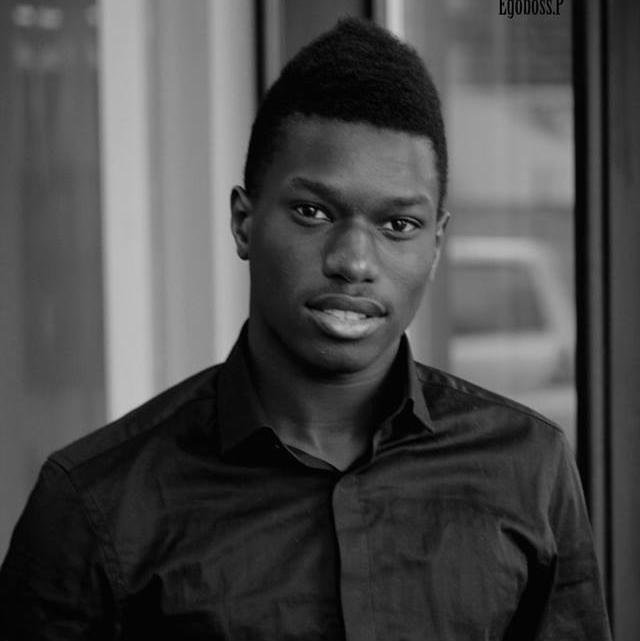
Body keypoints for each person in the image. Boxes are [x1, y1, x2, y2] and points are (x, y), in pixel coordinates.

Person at [0, 18, 610, 641]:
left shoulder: (527, 470)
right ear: (244, 221)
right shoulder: (95, 505)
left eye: (398, 225)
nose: (354, 261)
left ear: (436, 244)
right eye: (314, 212)